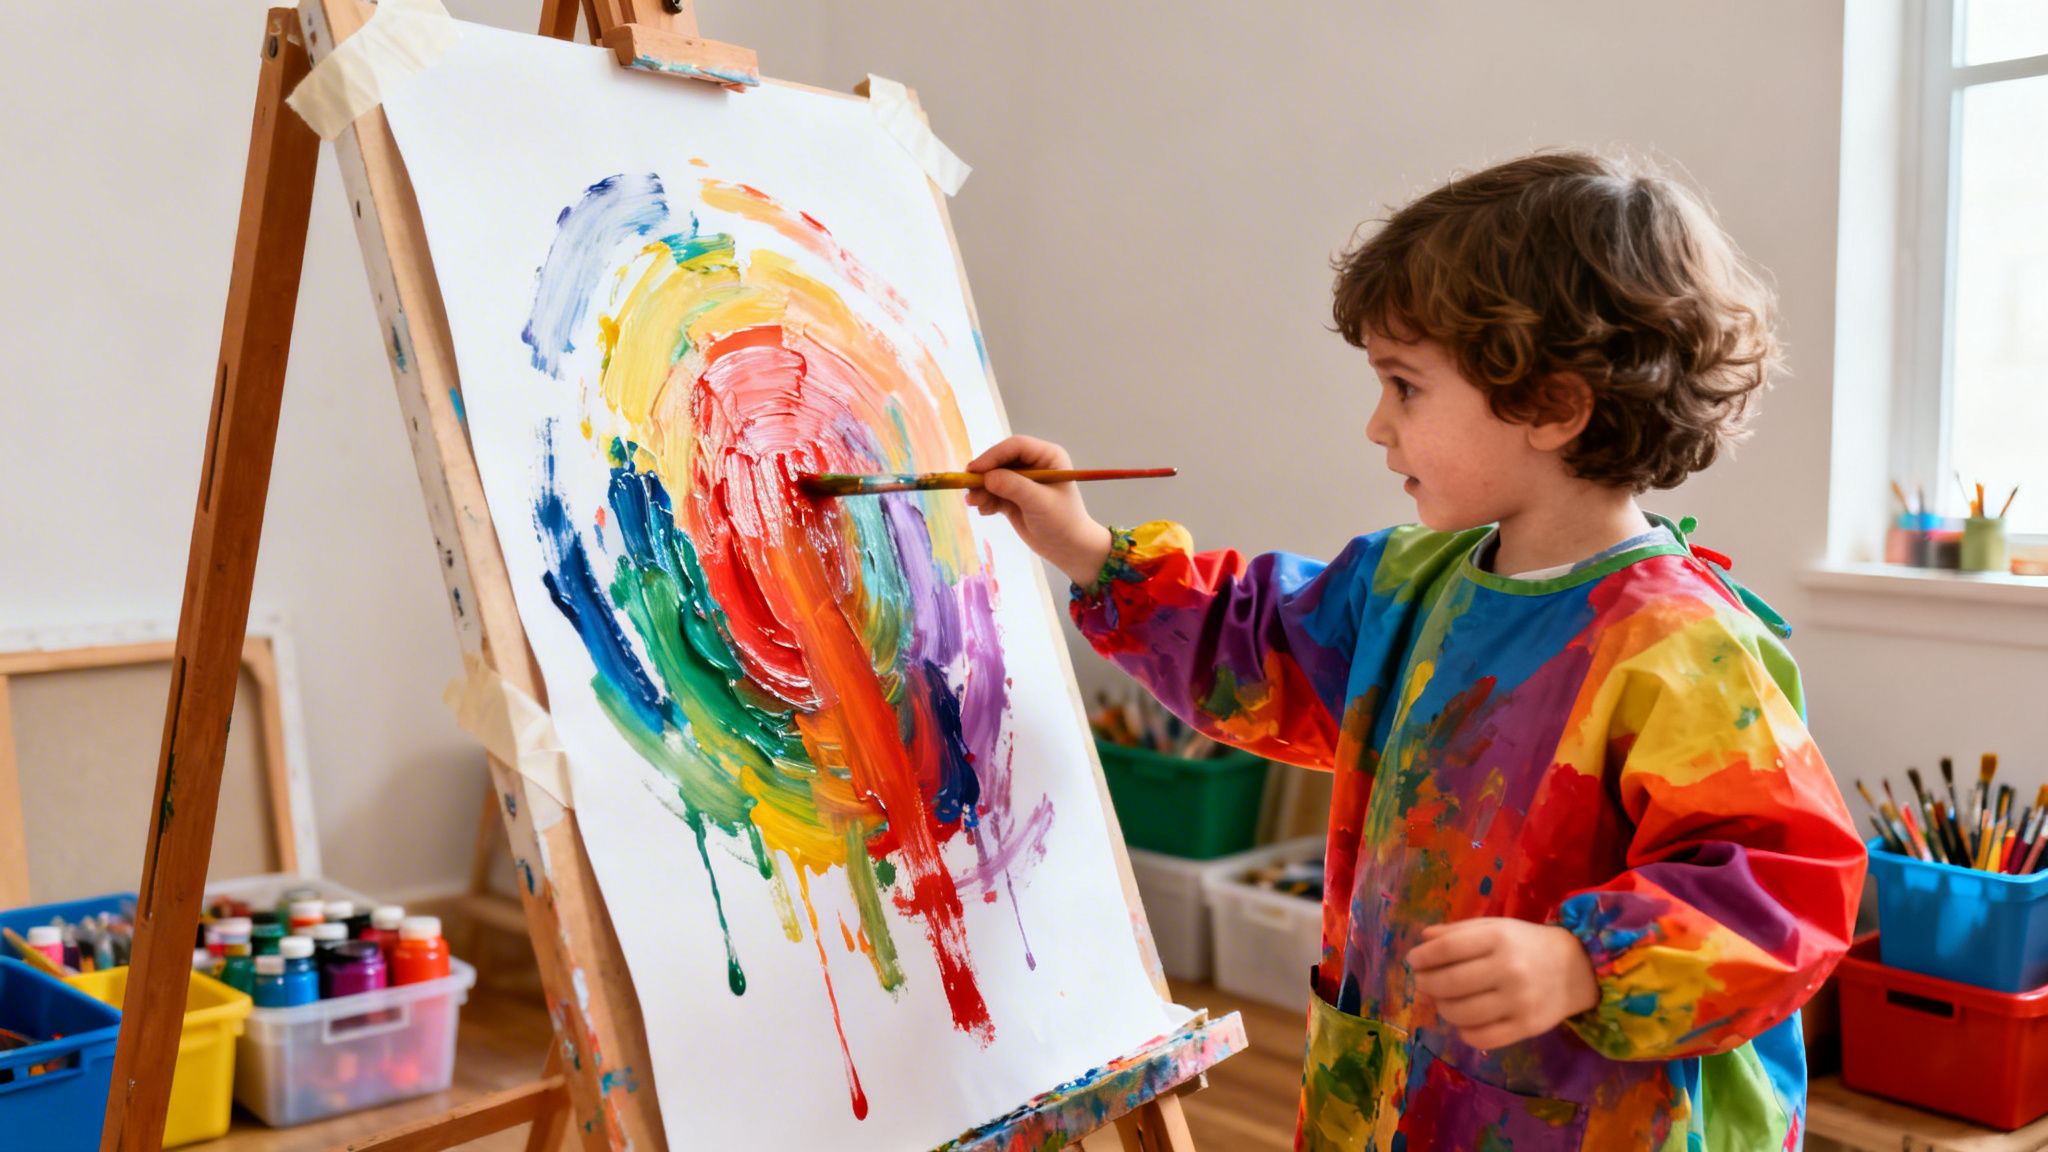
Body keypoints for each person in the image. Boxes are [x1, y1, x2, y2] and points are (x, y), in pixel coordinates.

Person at [965, 151, 1865, 1150]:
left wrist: (1583, 963)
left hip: (1593, 1122)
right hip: (1394, 1091)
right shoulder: (1406, 583)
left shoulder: (1679, 646)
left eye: (1403, 386)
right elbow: (1249, 647)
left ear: (1552, 406)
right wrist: (1088, 551)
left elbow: (1783, 882)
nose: (1375, 425)